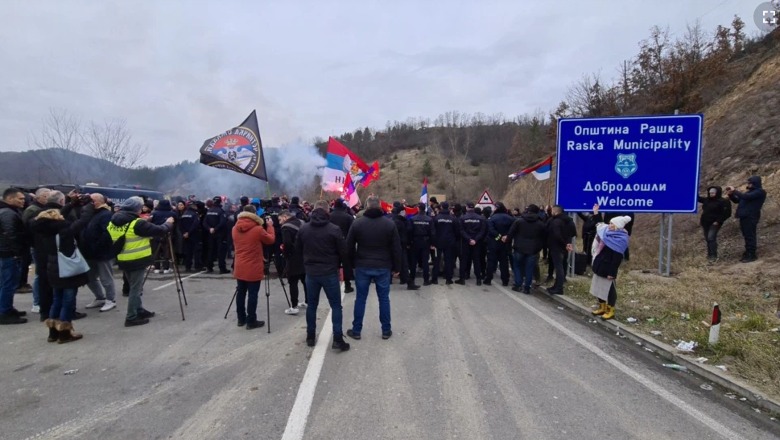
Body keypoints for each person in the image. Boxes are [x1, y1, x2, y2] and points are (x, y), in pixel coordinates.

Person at [30, 191, 93, 342]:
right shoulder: (63, 230)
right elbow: (82, 221)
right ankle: (65, 333)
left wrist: (71, 204)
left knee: (57, 299)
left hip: (52, 266)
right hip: (66, 268)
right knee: (68, 299)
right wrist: (89, 205)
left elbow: (57, 214)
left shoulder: (43, 227)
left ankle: (52, 332)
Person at [108, 196, 175, 327]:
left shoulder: (113, 221)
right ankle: (131, 316)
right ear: (137, 209)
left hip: (123, 258)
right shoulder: (137, 224)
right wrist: (168, 223)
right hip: (136, 259)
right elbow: (160, 230)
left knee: (134, 286)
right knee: (136, 289)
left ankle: (139, 310)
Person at [295, 200, 350, 351]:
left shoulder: (304, 229)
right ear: (327, 211)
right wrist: (341, 267)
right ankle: (337, 339)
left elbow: (297, 250)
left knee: (312, 305)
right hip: (329, 272)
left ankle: (310, 336)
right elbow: (343, 252)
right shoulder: (334, 229)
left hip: (311, 272)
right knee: (336, 306)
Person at [345, 196, 402, 341]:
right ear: (380, 207)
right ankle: (386, 330)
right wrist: (397, 267)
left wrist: (350, 265)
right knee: (384, 299)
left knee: (361, 299)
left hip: (363, 265)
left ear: (367, 207)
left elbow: (349, 246)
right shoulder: (389, 224)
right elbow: (396, 247)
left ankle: (357, 330)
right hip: (383, 265)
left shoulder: (358, 223)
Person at [231, 205, 275, 329]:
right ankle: (251, 321)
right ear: (254, 214)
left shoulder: (235, 228)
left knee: (241, 293)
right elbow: (270, 240)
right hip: (253, 265)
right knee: (252, 294)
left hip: (240, 265)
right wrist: (270, 226)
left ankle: (241, 318)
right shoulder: (257, 229)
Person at [590, 216, 632, 320]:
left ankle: (611, 310)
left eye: (612, 224)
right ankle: (602, 307)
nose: (610, 225)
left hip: (609, 267)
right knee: (599, 287)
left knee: (610, 290)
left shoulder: (621, 239)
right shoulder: (606, 233)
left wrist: (612, 273)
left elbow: (617, 259)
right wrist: (596, 213)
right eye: (610, 223)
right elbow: (598, 224)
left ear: (618, 226)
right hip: (600, 264)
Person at [81, 193, 118, 312]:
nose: (90, 203)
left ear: (100, 202)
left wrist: (97, 245)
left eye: (92, 201)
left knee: (106, 278)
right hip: (89, 252)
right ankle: (99, 297)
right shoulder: (89, 214)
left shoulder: (106, 214)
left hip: (102, 252)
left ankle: (110, 300)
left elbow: (107, 233)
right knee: (89, 277)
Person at [0, 188, 29, 324]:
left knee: (8, 283)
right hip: (9, 254)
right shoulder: (7, 214)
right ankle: (4, 312)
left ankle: (8, 308)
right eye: (20, 199)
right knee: (8, 283)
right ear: (10, 199)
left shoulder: (10, 211)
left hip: (8, 253)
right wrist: (17, 253)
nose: (23, 201)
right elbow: (11, 234)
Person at [22, 187, 51, 313]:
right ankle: (37, 302)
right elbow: (27, 229)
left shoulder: (42, 209)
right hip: (37, 247)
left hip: (43, 246)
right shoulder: (33, 210)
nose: (48, 198)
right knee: (40, 275)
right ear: (38, 197)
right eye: (45, 196)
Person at [505, 204, 546, 294]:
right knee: (529, 268)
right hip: (533, 249)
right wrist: (539, 248)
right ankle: (527, 287)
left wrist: (508, 243)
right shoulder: (540, 224)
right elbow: (544, 238)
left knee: (517, 266)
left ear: (527, 211)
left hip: (519, 248)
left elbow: (510, 234)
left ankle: (518, 284)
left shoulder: (519, 221)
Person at [726, 176, 766, 262]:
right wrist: (731, 195)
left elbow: (745, 197)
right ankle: (748, 253)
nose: (748, 184)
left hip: (751, 216)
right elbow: (737, 200)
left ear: (755, 183)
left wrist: (734, 190)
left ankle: (751, 255)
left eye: (750, 183)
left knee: (750, 236)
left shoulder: (760, 192)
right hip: (744, 216)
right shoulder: (749, 193)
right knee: (746, 236)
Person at [280, 210, 307, 315]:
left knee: (293, 282)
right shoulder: (302, 222)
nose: (279, 222)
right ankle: (307, 301)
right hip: (305, 255)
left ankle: (294, 306)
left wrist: (286, 253)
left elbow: (286, 243)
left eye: (280, 219)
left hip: (293, 258)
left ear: (285, 217)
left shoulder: (286, 227)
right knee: (305, 281)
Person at [545, 205, 575, 295]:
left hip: (556, 246)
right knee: (561, 266)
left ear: (556, 211)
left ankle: (559, 288)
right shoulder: (569, 220)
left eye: (553, 211)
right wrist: (568, 243)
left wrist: (565, 244)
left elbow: (556, 235)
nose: (551, 212)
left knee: (559, 268)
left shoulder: (556, 221)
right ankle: (556, 285)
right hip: (563, 247)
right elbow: (572, 233)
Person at [697, 186, 731, 263]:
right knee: (707, 239)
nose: (711, 194)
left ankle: (713, 256)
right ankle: (709, 255)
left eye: (713, 193)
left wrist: (718, 221)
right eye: (710, 193)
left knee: (711, 238)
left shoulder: (723, 201)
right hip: (705, 222)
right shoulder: (707, 200)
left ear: (717, 193)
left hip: (715, 223)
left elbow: (727, 213)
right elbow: (698, 198)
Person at [456, 202, 487, 286]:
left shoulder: (462, 218)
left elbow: (461, 231)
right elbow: (482, 231)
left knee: (464, 261)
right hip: (477, 242)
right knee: (476, 260)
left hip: (466, 242)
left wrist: (469, 239)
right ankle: (478, 280)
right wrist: (475, 239)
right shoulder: (481, 218)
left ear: (466, 208)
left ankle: (462, 279)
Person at [484, 202, 514, 286]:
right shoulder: (510, 218)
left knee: (491, 262)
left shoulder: (492, 218)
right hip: (505, 243)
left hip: (494, 243)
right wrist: (506, 236)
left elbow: (491, 230)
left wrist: (499, 236)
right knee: (504, 262)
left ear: (496, 208)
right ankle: (505, 280)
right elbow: (513, 229)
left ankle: (488, 279)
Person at [329, 199, 355, 293]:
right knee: (346, 265)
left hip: (331, 244)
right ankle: (347, 285)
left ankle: (332, 285)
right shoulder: (348, 217)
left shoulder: (329, 216)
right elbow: (352, 232)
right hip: (345, 244)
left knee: (333, 265)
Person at [431, 202, 459, 285]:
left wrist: (433, 242)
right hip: (450, 243)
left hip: (438, 243)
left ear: (441, 207)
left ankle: (434, 279)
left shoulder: (436, 218)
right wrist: (454, 240)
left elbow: (433, 232)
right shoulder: (453, 218)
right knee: (448, 261)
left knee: (436, 261)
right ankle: (448, 279)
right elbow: (457, 232)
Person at [390, 202, 416, 290]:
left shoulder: (400, 220)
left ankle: (406, 280)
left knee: (401, 264)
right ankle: (408, 282)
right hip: (399, 246)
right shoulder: (398, 222)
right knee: (403, 264)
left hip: (400, 245)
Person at [409, 203, 434, 287]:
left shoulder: (413, 219)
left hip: (415, 242)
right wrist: (432, 243)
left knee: (413, 262)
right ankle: (426, 280)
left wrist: (409, 242)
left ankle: (411, 280)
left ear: (418, 209)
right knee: (425, 261)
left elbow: (409, 231)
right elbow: (432, 233)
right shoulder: (429, 219)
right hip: (425, 242)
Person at [150, 199, 177, 274]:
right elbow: (175, 224)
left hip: (156, 234)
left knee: (156, 251)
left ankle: (157, 267)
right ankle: (166, 267)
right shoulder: (172, 214)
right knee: (166, 251)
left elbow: (151, 222)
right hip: (167, 234)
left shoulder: (154, 213)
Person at [203, 196, 229, 274]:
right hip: (220, 234)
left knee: (211, 250)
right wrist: (215, 228)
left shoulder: (209, 211)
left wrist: (210, 228)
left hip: (211, 234)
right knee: (221, 251)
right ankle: (222, 268)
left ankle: (209, 267)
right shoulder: (221, 211)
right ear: (220, 202)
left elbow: (204, 222)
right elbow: (222, 222)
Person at [179, 202, 203, 272]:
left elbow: (180, 225)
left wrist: (184, 233)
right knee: (196, 251)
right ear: (193, 206)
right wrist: (189, 232)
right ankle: (197, 266)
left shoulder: (184, 214)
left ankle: (188, 266)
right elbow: (195, 224)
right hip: (194, 235)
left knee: (188, 251)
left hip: (185, 236)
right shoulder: (195, 214)